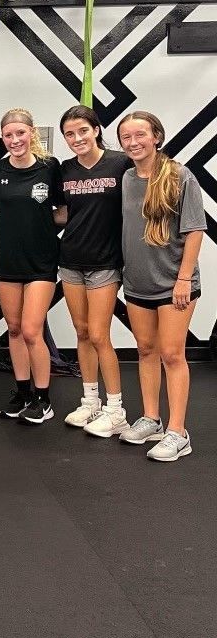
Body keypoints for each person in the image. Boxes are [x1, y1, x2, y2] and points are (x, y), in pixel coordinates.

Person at [116, 111, 205, 461]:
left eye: (140, 135)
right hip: (137, 282)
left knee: (172, 354)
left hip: (174, 284)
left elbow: (195, 230)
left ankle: (177, 431)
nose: (134, 142)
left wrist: (184, 279)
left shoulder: (180, 175)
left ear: (156, 136)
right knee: (146, 351)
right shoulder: (125, 178)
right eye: (126, 137)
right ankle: (151, 419)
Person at [0, 109, 66, 424]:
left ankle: (44, 399)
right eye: (9, 135)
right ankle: (22, 393)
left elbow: (64, 210)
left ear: (31, 133)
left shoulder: (49, 167)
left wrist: (41, 224)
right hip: (7, 259)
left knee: (33, 330)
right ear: (3, 138)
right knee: (15, 329)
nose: (15, 139)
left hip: (42, 261)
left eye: (21, 133)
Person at [59, 105, 131, 437]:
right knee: (83, 332)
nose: (77, 139)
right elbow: (62, 214)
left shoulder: (119, 162)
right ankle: (90, 401)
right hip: (71, 259)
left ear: (96, 130)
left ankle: (116, 411)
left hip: (105, 262)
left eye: (82, 131)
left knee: (101, 335)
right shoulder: (65, 169)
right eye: (70, 134)